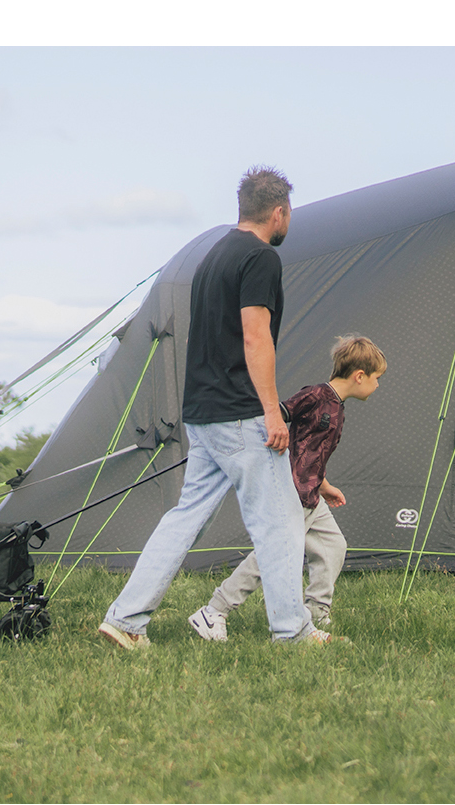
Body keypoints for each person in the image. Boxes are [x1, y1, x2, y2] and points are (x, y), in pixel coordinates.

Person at [98, 166, 326, 649]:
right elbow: (255, 336)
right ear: (279, 212)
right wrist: (272, 411)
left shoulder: (213, 256)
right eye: (289, 213)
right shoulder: (260, 258)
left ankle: (126, 620)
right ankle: (293, 631)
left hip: (202, 413)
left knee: (185, 518)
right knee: (281, 522)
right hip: (241, 414)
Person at [187, 335, 386, 640]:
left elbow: (311, 451)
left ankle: (316, 610)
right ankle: (214, 610)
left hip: (311, 495)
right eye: (376, 378)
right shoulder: (316, 395)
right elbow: (275, 418)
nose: (378, 385)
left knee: (333, 546)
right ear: (360, 376)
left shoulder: (338, 407)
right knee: (270, 555)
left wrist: (324, 485)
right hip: (290, 492)